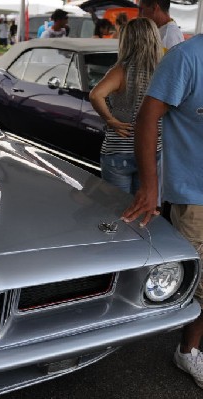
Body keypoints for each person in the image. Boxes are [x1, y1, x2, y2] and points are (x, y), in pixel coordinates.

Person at [122, 33, 203, 389]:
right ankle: (188, 351)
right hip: (196, 196)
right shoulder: (186, 58)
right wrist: (150, 186)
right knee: (196, 284)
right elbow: (146, 118)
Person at [89, 18, 163, 195]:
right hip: (152, 151)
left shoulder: (122, 70)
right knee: (144, 210)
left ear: (127, 41)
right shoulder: (163, 70)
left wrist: (110, 120)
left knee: (117, 209)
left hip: (119, 150)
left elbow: (96, 95)